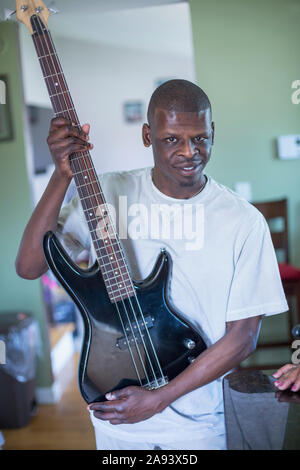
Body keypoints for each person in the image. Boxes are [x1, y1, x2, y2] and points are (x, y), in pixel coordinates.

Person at [15, 79, 288, 450]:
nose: (190, 151)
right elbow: (30, 266)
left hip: (200, 424)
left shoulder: (243, 221)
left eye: (200, 138)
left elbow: (243, 337)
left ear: (212, 133)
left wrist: (161, 396)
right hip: (115, 416)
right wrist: (62, 175)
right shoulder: (106, 194)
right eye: (172, 139)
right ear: (148, 135)